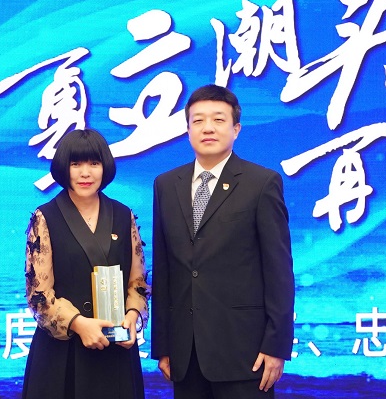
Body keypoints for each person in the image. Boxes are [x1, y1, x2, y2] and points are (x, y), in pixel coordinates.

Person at [151, 85, 295, 398]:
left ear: (236, 129)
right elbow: (163, 270)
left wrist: (276, 345)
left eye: (218, 119)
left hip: (245, 351)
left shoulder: (261, 183)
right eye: (198, 120)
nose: (208, 128)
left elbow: (279, 271)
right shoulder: (166, 185)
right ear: (187, 130)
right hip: (185, 352)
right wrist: (162, 345)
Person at [22, 129, 150, 399]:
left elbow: (137, 283)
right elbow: (38, 295)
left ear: (105, 167)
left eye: (94, 163)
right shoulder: (45, 217)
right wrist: (79, 324)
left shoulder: (123, 215)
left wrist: (131, 317)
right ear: (63, 168)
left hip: (116, 347)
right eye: (76, 164)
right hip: (63, 352)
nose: (85, 173)